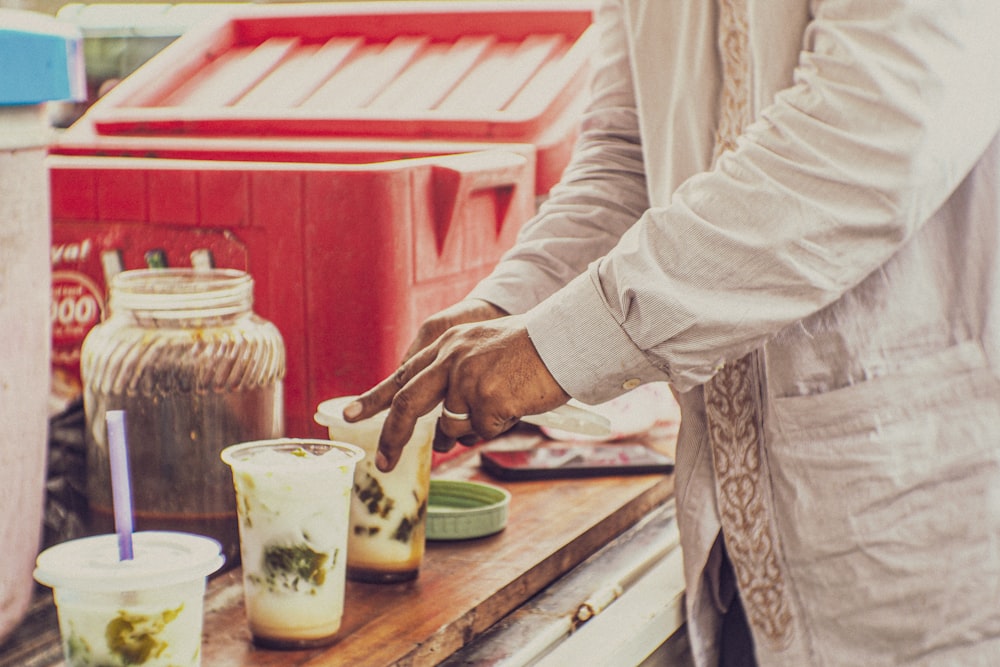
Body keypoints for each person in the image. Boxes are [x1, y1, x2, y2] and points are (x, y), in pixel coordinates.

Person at [343, 1, 1000, 665]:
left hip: (931, 546)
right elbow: (626, 156)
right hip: (744, 552)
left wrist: (559, 344)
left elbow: (873, 132)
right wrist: (510, 305)